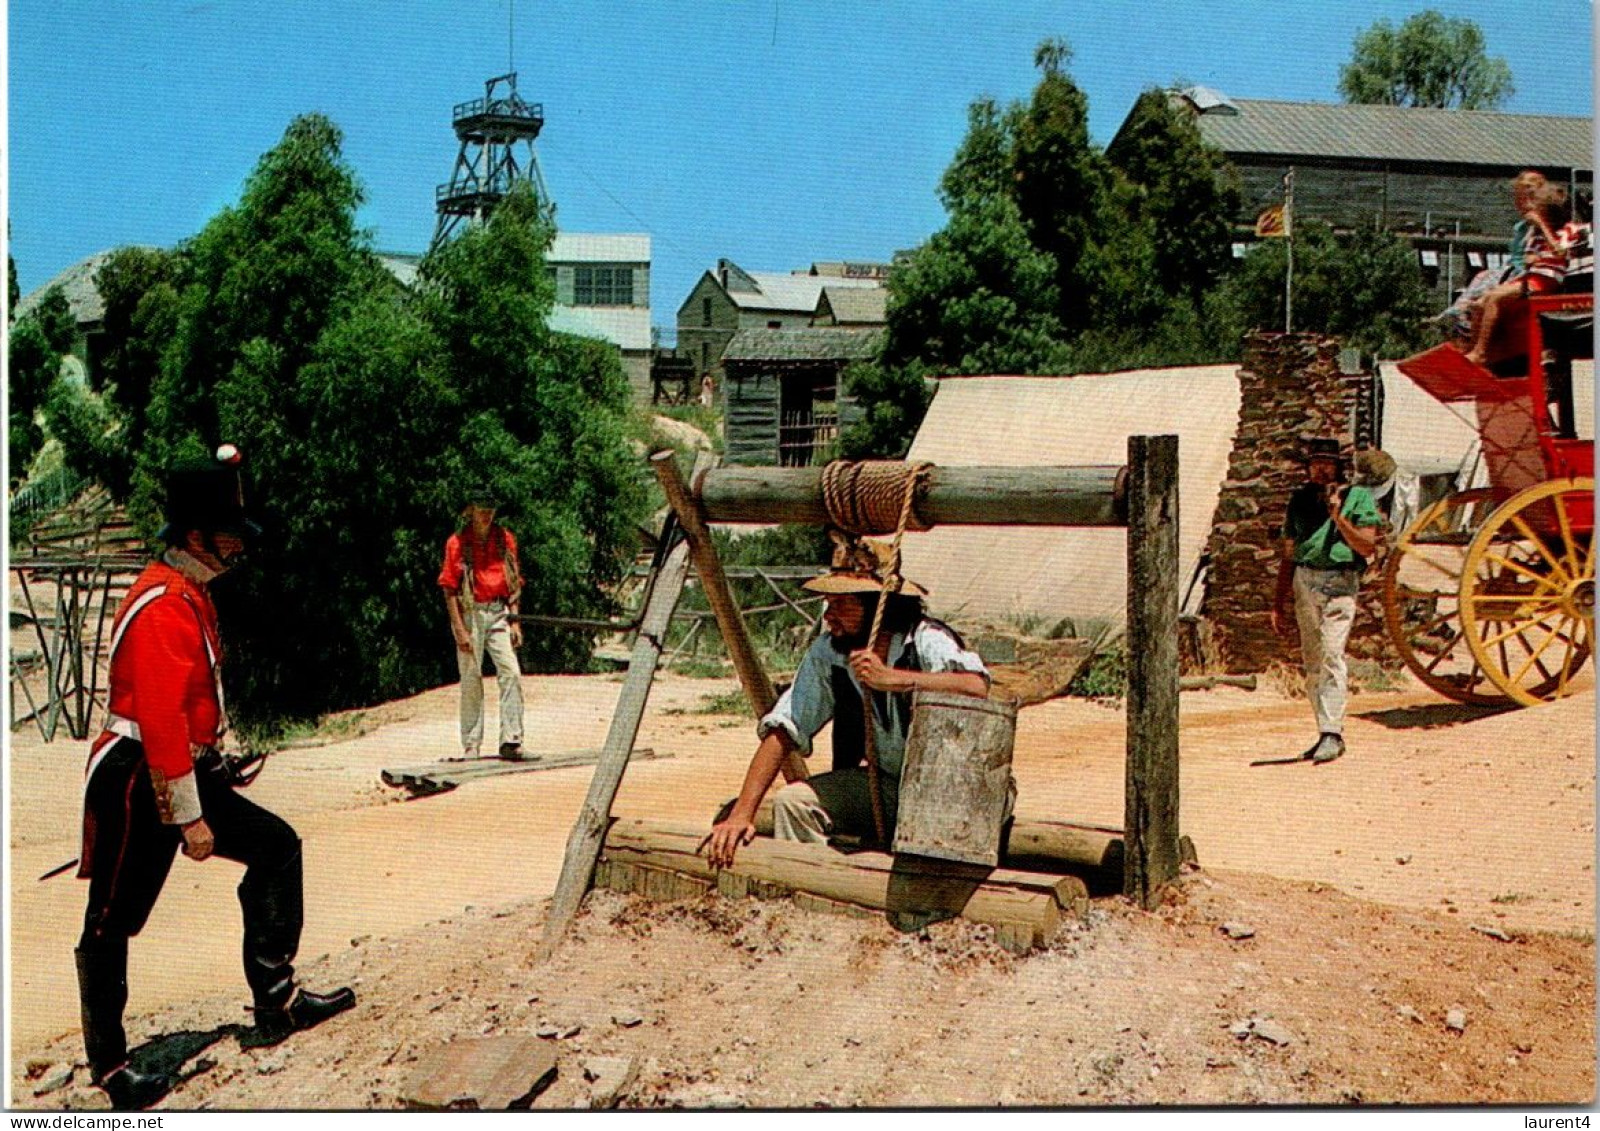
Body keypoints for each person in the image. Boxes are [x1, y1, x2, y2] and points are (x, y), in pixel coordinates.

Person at [75, 445, 354, 1110]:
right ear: (197, 538)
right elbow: (162, 718)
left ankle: (276, 997)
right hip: (139, 775)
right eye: (230, 536)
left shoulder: (184, 592)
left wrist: (213, 764)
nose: (240, 547)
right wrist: (189, 813)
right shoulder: (165, 604)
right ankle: (112, 1067)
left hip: (180, 767)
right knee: (112, 920)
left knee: (276, 847)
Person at [705, 541, 994, 868]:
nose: (829, 616)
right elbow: (786, 726)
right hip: (887, 787)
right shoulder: (830, 652)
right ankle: (813, 893)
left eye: (842, 604)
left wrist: (892, 678)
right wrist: (742, 815)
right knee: (794, 804)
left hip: (946, 792)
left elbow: (976, 686)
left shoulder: (927, 639)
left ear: (878, 607)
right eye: (828, 604)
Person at [1270, 438, 1385, 765]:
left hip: (1340, 580)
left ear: (1338, 467)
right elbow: (1289, 554)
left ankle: (1333, 733)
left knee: (1333, 652)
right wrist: (1278, 601)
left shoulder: (1358, 498)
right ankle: (1324, 729)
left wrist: (1337, 516)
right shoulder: (1300, 501)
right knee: (1313, 659)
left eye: (1327, 463)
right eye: (1315, 463)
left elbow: (1366, 546)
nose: (1321, 470)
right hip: (1306, 581)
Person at [438, 488, 526, 761]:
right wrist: (460, 629)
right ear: (470, 511)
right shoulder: (457, 543)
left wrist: (514, 620)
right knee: (471, 678)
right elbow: (449, 588)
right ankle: (471, 744)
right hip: (471, 612)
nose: (486, 514)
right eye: (481, 508)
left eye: (490, 509)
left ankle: (511, 739)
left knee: (511, 672)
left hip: (499, 610)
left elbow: (513, 582)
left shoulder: (505, 539)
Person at [1463, 181, 1569, 366]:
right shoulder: (1533, 234)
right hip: (1530, 277)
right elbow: (1528, 257)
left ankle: (1480, 353)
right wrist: (1530, 255)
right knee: (1480, 303)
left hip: (1546, 280)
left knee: (1495, 298)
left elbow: (1561, 252)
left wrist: (1543, 227)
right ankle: (1475, 351)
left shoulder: (1566, 231)